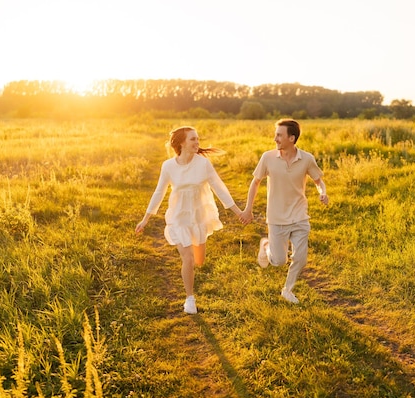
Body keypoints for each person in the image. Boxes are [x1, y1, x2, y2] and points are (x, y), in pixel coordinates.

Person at [136, 126, 243, 314]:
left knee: (199, 260)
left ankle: (194, 271)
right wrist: (146, 219)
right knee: (188, 257)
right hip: (178, 216)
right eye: (193, 139)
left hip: (199, 215)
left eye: (197, 139)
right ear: (182, 143)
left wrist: (238, 211)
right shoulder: (168, 166)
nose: (197, 142)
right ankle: (190, 299)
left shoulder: (203, 164)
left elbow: (219, 187)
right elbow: (159, 192)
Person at [240, 119, 328, 303]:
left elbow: (318, 180)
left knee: (300, 258)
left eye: (279, 135)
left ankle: (287, 290)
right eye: (276, 134)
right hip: (277, 217)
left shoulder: (307, 159)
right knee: (279, 261)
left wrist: (323, 193)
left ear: (291, 138)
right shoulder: (268, 158)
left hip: (299, 216)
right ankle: (266, 246)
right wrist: (248, 209)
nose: (275, 139)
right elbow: (255, 182)